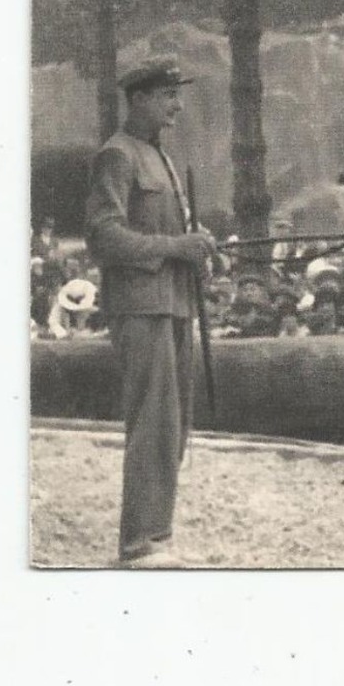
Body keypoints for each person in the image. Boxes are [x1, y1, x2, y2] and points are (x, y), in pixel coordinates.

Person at [84, 58, 218, 568]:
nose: (177, 106)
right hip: (141, 307)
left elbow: (170, 236)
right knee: (153, 422)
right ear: (138, 98)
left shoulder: (157, 156)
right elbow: (103, 236)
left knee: (174, 422)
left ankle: (156, 535)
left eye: (177, 95)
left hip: (175, 302)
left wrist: (197, 250)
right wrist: (175, 246)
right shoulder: (117, 156)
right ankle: (140, 542)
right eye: (168, 95)